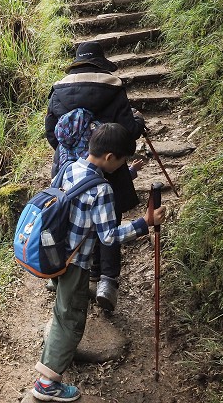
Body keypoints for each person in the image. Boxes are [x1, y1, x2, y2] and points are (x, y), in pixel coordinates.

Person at [30, 123, 166, 402]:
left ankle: (49, 364)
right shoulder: (102, 189)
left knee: (63, 311)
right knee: (70, 320)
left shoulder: (69, 167)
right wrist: (145, 223)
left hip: (53, 252)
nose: (122, 165)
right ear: (109, 157)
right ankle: (47, 384)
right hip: (76, 261)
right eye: (122, 160)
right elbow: (109, 237)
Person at [44, 41, 146, 311]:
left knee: (70, 217)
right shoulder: (113, 87)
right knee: (107, 220)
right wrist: (138, 123)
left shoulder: (58, 89)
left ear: (77, 63)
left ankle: (65, 269)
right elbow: (126, 132)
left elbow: (50, 133)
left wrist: (72, 154)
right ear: (101, 62)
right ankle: (106, 281)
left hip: (69, 166)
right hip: (107, 164)